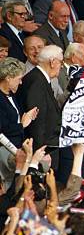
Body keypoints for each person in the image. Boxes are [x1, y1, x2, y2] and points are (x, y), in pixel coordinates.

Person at [0, 58, 38, 189]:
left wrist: (28, 118)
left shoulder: (11, 95)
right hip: (5, 152)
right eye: (19, 78)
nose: (21, 82)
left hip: (17, 148)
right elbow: (3, 129)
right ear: (8, 78)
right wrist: (22, 124)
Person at [17, 45, 63, 151]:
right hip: (42, 149)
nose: (61, 66)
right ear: (52, 62)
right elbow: (37, 120)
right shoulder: (36, 81)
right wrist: (39, 151)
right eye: (60, 62)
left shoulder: (40, 78)